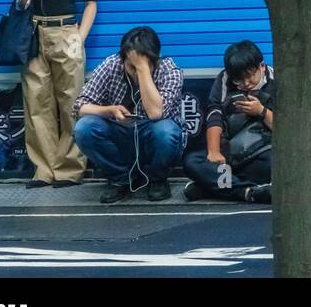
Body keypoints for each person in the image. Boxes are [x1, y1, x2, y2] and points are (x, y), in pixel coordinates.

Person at [15, 0, 98, 188]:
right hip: (35, 31)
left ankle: (69, 168)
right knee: (37, 102)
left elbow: (91, 2)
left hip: (66, 31)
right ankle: (44, 169)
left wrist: (80, 36)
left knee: (71, 101)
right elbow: (20, 3)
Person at [73, 27, 186, 203]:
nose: (133, 70)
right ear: (122, 58)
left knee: (167, 131)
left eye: (142, 64)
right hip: (121, 133)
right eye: (130, 65)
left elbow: (156, 113)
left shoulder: (169, 70)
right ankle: (120, 179)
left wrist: (142, 70)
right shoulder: (112, 64)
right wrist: (108, 110)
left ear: (155, 59)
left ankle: (157, 179)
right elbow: (80, 106)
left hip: (151, 134)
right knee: (84, 128)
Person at [182, 41, 273, 203]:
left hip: (261, 151)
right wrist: (214, 151)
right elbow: (214, 114)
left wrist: (261, 111)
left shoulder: (277, 80)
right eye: (239, 80)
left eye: (250, 75)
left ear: (262, 66)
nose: (246, 83)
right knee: (192, 162)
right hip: (230, 152)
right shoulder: (225, 79)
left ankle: (210, 186)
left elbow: (290, 130)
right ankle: (247, 192)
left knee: (272, 165)